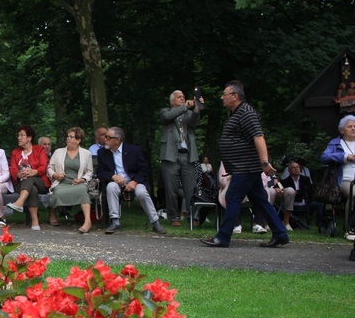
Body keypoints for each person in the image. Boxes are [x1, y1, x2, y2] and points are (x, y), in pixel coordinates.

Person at [201, 81, 288, 248]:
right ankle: (280, 234)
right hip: (245, 166)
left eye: (225, 94)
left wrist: (264, 162)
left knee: (232, 197)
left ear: (235, 96)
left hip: (246, 167)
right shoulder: (237, 113)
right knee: (261, 200)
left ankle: (223, 237)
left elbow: (258, 137)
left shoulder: (246, 113)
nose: (222, 97)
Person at [96, 127, 166, 235]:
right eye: (105, 136)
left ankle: (155, 222)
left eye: (108, 137)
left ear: (117, 140)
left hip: (134, 181)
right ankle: (115, 220)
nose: (105, 139)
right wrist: (112, 176)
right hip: (117, 183)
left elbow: (144, 169)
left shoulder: (134, 150)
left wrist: (135, 181)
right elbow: (100, 171)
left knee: (141, 192)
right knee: (111, 187)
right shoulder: (102, 152)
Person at [159, 90, 201, 227]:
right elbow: (167, 117)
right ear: (172, 101)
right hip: (170, 154)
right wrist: (184, 107)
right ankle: (173, 216)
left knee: (191, 188)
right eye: (179, 97)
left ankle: (192, 216)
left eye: (183, 97)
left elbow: (194, 123)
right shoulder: (165, 111)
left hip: (187, 154)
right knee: (171, 188)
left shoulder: (187, 113)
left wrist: (196, 108)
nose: (182, 98)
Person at [47, 127, 94, 234]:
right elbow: (49, 167)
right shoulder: (58, 152)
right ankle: (52, 214)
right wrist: (55, 175)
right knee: (57, 192)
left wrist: (82, 179)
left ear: (78, 140)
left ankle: (87, 221)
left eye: (71, 137)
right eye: (68, 137)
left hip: (77, 182)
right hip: (62, 182)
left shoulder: (86, 154)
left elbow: (90, 171)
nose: (68, 139)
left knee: (82, 191)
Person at [6, 125, 50, 230]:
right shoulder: (15, 152)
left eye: (22, 135)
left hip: (40, 182)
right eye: (18, 135)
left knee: (29, 178)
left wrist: (34, 171)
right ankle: (35, 222)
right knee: (32, 189)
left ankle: (20, 202)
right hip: (20, 183)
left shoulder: (39, 150)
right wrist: (19, 174)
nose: (19, 138)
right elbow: (13, 169)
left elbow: (44, 166)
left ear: (29, 138)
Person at [320, 114, 355, 240]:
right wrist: (345, 157)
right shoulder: (335, 143)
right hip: (346, 180)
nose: (353, 128)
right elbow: (324, 157)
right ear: (342, 130)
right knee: (354, 194)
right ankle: (350, 229)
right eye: (350, 126)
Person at [280, 161, 324, 230]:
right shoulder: (285, 181)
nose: (296, 169)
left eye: (297, 167)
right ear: (289, 170)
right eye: (293, 168)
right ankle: (286, 222)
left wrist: (297, 192)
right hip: (292, 204)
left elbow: (309, 191)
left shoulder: (306, 179)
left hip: (305, 203)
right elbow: (279, 188)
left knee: (319, 204)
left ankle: (320, 224)